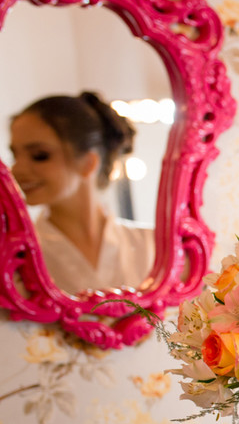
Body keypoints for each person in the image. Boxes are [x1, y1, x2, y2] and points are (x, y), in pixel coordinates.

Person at [8, 91, 153, 293]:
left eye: (39, 156)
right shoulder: (16, 259)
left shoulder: (153, 246)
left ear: (88, 162)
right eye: (15, 155)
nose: (16, 170)